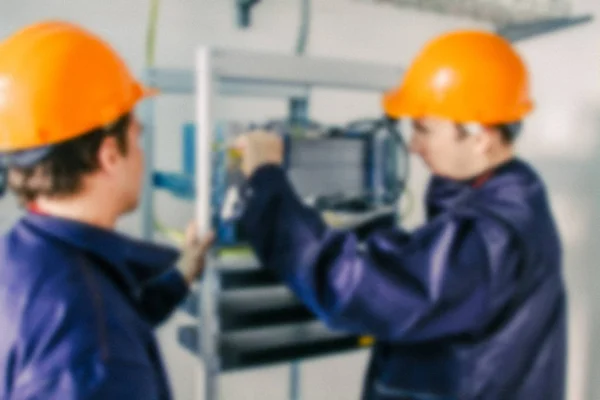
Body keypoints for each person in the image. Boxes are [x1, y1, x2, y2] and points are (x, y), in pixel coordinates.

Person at [234, 30, 566, 400]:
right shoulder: (505, 198)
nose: (412, 145)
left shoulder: (489, 237)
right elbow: (430, 267)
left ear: (481, 137)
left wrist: (267, 185)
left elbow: (355, 290)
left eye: (424, 129)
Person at [0, 21, 213, 399]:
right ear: (110, 154)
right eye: (137, 136)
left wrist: (180, 276)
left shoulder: (25, 251)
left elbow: (113, 313)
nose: (143, 154)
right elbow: (96, 331)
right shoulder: (97, 358)